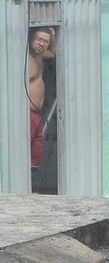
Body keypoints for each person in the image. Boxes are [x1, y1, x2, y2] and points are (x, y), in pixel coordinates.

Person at [27, 27, 53, 169]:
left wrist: (53, 35)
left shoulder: (40, 56)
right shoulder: (24, 58)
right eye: (39, 39)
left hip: (37, 114)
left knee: (35, 157)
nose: (42, 44)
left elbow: (55, 52)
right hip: (27, 114)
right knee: (23, 152)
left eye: (45, 42)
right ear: (30, 38)